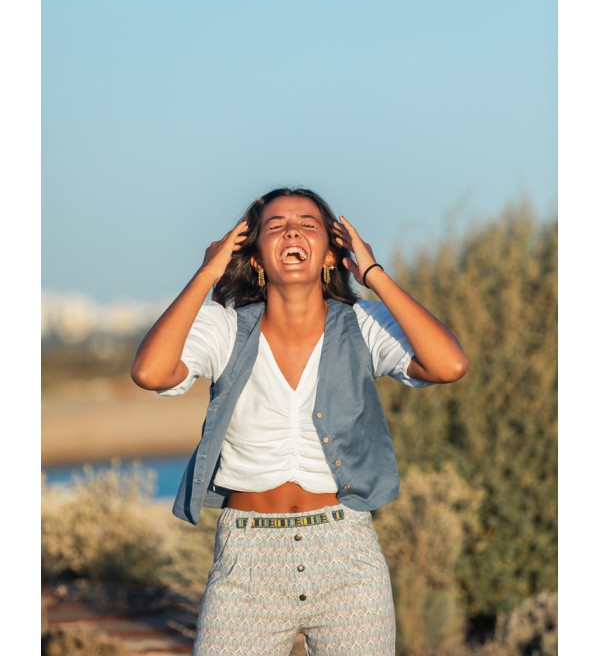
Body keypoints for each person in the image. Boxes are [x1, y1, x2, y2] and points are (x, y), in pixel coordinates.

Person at [131, 186, 468, 656]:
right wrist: (207, 272)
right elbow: (150, 372)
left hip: (346, 557)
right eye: (275, 225)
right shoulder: (223, 327)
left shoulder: (363, 324)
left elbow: (448, 365)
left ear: (330, 255)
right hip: (246, 562)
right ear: (254, 260)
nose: (292, 230)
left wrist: (372, 273)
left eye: (308, 224)